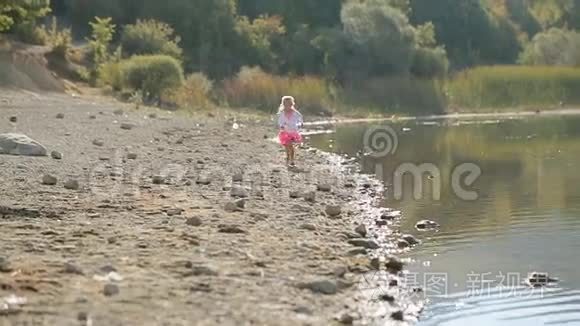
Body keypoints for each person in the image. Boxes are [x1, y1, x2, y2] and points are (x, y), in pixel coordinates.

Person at [277, 96, 303, 166]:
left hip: (293, 132)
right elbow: (280, 121)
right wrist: (281, 125)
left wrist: (299, 125)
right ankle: (288, 156)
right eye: (285, 104)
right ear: (283, 105)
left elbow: (300, 120)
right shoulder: (282, 113)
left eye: (289, 104)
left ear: (292, 105)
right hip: (285, 132)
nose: (287, 106)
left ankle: (292, 159)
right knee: (287, 146)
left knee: (291, 146)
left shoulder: (295, 113)